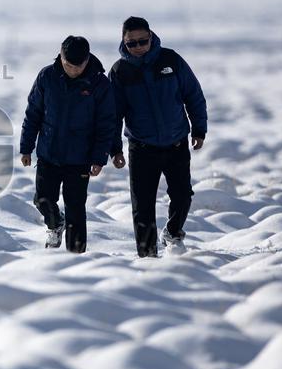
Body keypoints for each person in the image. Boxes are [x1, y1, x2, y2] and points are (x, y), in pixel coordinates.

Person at [109, 16, 207, 258]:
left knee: (183, 196)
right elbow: (111, 115)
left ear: (151, 37)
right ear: (124, 42)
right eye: (132, 44)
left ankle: (173, 233)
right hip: (142, 148)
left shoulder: (170, 60)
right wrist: (115, 149)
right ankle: (147, 258)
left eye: (143, 41)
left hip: (176, 144)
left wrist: (199, 129)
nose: (139, 47)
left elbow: (193, 94)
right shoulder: (120, 72)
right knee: (142, 207)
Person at [20, 36, 116, 253]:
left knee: (75, 209)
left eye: (78, 66)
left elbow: (106, 124)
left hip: (79, 158)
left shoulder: (100, 83)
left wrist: (99, 157)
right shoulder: (47, 76)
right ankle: (55, 224)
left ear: (87, 59)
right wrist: (26, 147)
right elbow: (33, 113)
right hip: (48, 154)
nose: (73, 70)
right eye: (68, 65)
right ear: (60, 57)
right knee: (43, 199)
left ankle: (77, 255)